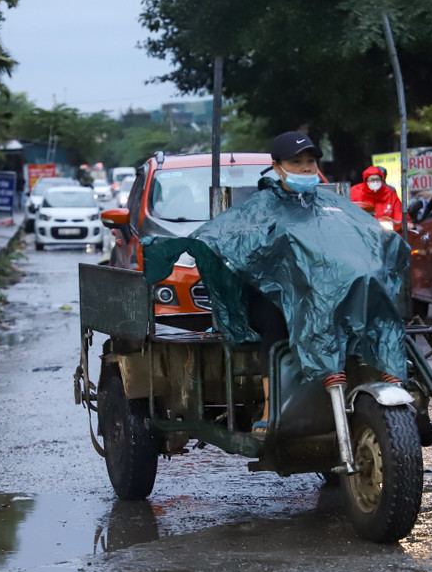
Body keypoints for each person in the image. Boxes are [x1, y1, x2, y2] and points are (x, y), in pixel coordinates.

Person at [141, 131, 411, 427]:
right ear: (277, 166)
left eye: (310, 161)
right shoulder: (261, 207)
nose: (307, 168)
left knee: (377, 306)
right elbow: (225, 237)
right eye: (297, 162)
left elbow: (367, 234)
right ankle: (271, 410)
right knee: (275, 320)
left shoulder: (332, 204)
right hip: (276, 297)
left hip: (330, 294)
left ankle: (392, 385)